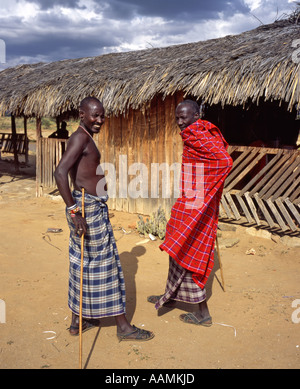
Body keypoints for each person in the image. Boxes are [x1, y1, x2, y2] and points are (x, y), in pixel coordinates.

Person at [54, 96, 154, 341]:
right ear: (81, 114)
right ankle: (123, 326)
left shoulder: (85, 137)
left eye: (102, 115)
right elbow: (60, 172)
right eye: (95, 115)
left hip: (89, 206)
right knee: (107, 265)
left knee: (83, 262)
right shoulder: (79, 137)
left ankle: (78, 321)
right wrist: (74, 211)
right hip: (86, 209)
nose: (100, 120)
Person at [147, 100, 232, 326]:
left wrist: (206, 191)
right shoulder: (197, 133)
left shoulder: (198, 134)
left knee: (191, 252)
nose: (180, 122)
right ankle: (171, 295)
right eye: (177, 118)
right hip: (191, 199)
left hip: (198, 204)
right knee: (178, 246)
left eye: (184, 117)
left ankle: (203, 314)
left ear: (196, 115)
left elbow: (224, 161)